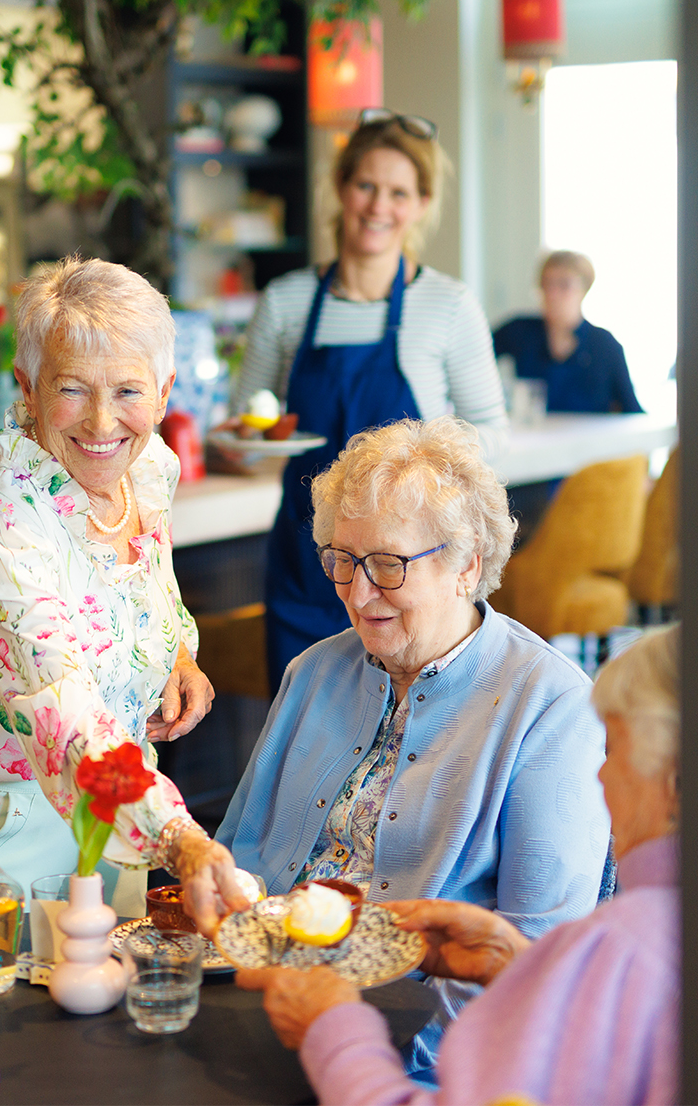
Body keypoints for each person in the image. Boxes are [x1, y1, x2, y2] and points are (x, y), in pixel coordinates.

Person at [239, 623, 698, 1105]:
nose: (600, 776)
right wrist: (517, 967)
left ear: (679, 778)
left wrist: (334, 1026)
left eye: (616, 749)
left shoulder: (628, 947)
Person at [215, 416, 610, 1072]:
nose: (359, 594)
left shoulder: (551, 707)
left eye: (389, 565)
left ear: (467, 565)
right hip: (257, 1010)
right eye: (343, 561)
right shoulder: (314, 671)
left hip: (411, 1054)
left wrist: (374, 1057)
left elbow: (535, 963)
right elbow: (236, 859)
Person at [0, 255, 250, 924]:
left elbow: (149, 584)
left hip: (116, 807)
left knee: (109, 1013)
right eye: (74, 389)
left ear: (166, 391)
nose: (103, 423)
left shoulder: (151, 471)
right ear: (28, 387)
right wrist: (178, 836)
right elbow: (59, 705)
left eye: (129, 392)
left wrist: (177, 654)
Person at [232, 109, 510, 687]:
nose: (379, 206)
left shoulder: (448, 305)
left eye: (399, 192)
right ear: (340, 188)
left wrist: (435, 463)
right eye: (366, 186)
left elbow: (491, 431)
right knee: (305, 734)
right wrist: (242, 445)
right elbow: (247, 434)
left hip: (411, 571)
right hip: (308, 564)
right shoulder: (285, 303)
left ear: (421, 204)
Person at [494, 250, 644, 415]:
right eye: (546, 284)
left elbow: (632, 411)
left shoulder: (605, 345)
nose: (553, 294)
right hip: (535, 437)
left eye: (564, 285)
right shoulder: (519, 331)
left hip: (588, 439)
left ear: (584, 290)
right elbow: (471, 356)